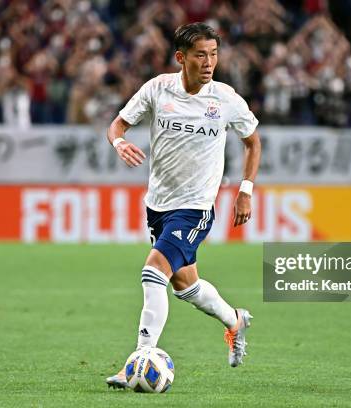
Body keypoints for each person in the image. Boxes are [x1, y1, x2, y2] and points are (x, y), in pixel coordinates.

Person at [105, 22, 262, 389]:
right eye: (200, 55)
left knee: (152, 272)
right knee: (184, 284)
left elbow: (253, 142)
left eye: (214, 54)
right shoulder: (158, 89)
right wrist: (118, 143)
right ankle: (235, 320)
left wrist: (246, 190)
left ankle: (139, 363)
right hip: (158, 204)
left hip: (196, 206)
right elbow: (117, 125)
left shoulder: (226, 99)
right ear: (181, 58)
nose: (209, 62)